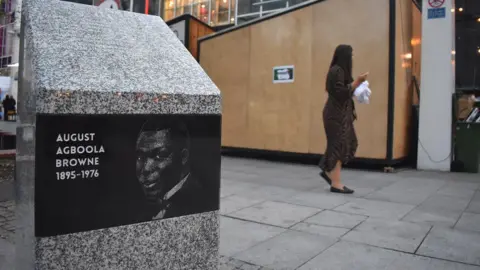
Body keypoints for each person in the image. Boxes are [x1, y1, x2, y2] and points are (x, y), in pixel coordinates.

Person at [319, 44, 368, 194]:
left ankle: (328, 170)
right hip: (335, 115)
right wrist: (357, 82)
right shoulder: (336, 71)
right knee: (339, 145)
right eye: (351, 55)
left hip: (340, 114)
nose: (352, 58)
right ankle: (336, 183)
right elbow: (340, 92)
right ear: (345, 56)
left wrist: (359, 88)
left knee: (348, 142)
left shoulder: (340, 71)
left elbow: (345, 92)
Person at [135, 118, 206, 220]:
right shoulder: (143, 203)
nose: (146, 168)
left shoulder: (199, 201)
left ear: (183, 157)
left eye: (160, 155)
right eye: (140, 157)